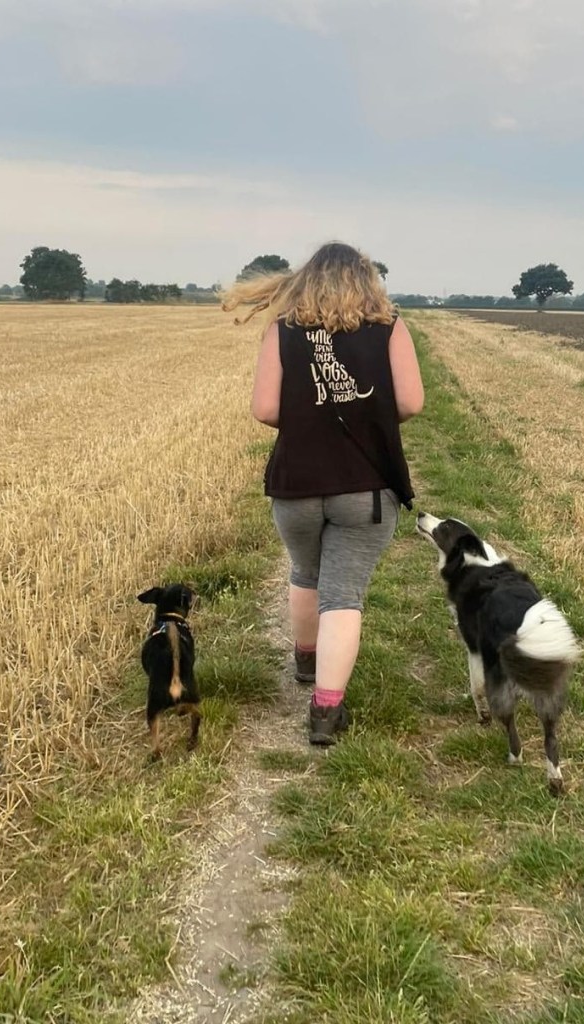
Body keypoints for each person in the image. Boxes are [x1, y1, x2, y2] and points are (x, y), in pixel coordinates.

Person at [222, 242, 424, 745]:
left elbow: (266, 410)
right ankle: (326, 713)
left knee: (306, 573)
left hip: (297, 484)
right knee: (344, 596)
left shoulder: (283, 330)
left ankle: (306, 663)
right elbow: (412, 403)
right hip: (367, 486)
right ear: (367, 281)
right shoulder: (391, 327)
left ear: (306, 281)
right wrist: (368, 417)